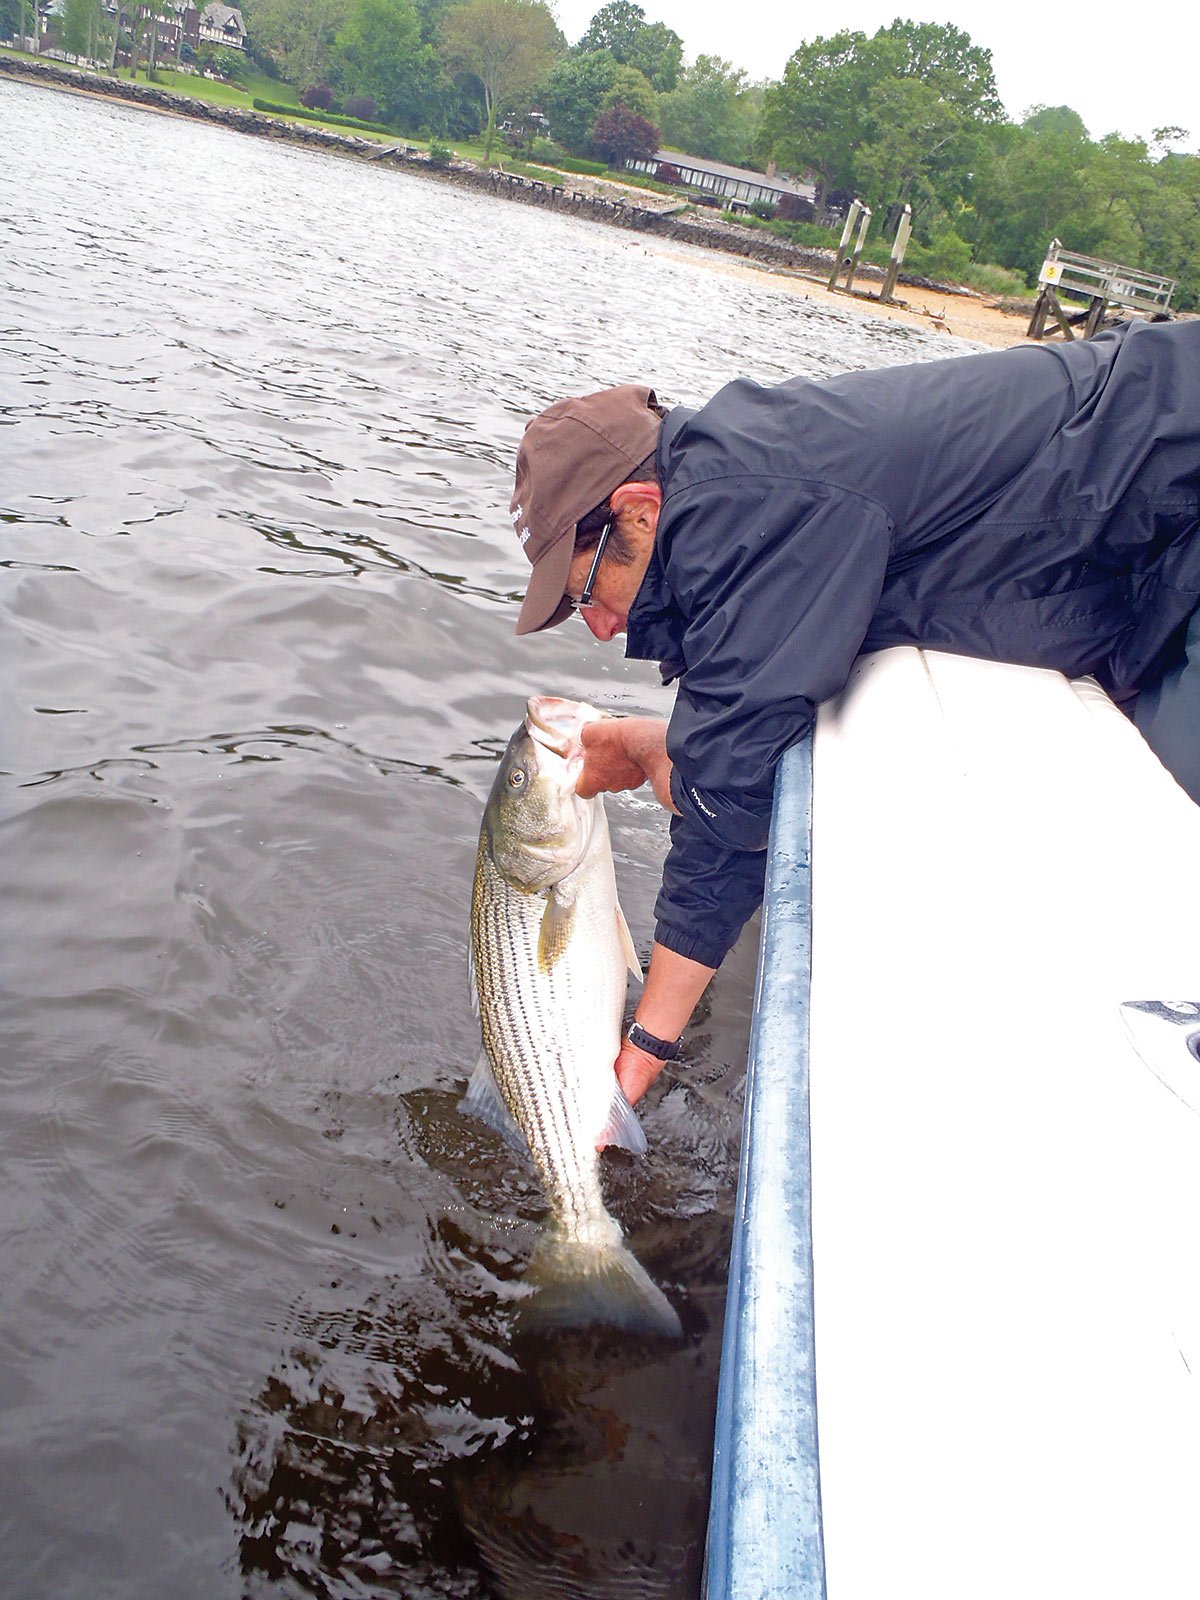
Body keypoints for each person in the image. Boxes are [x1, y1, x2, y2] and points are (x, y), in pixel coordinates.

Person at [508, 319, 1200, 1106]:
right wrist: (654, 746)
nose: (597, 625)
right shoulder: (737, 485)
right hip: (1136, 546)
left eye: (585, 589)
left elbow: (725, 804)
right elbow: (749, 714)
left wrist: (642, 1056)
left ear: (637, 511)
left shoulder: (745, 513)